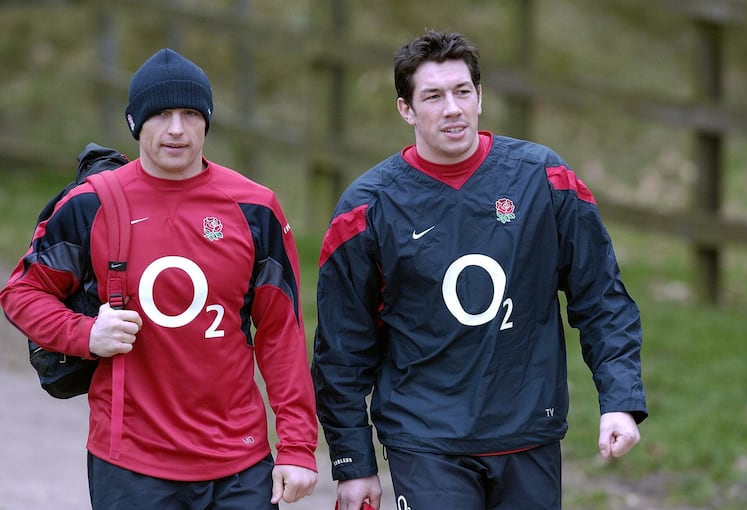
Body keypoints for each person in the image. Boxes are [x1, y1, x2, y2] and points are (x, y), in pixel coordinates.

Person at [312, 30, 647, 510]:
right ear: (405, 109)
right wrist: (353, 462)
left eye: (462, 91)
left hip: (527, 432)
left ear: (480, 97)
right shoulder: (366, 211)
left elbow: (602, 299)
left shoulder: (545, 181)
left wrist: (620, 400)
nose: (452, 108)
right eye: (433, 96)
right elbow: (341, 350)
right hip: (425, 441)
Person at [0, 48, 317, 508]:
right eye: (161, 114)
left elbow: (281, 333)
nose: (176, 129)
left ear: (207, 121)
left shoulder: (255, 209)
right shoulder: (93, 205)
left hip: (239, 462)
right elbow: (22, 293)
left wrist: (297, 445)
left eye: (190, 114)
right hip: (130, 465)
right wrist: (86, 334)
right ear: (134, 122)